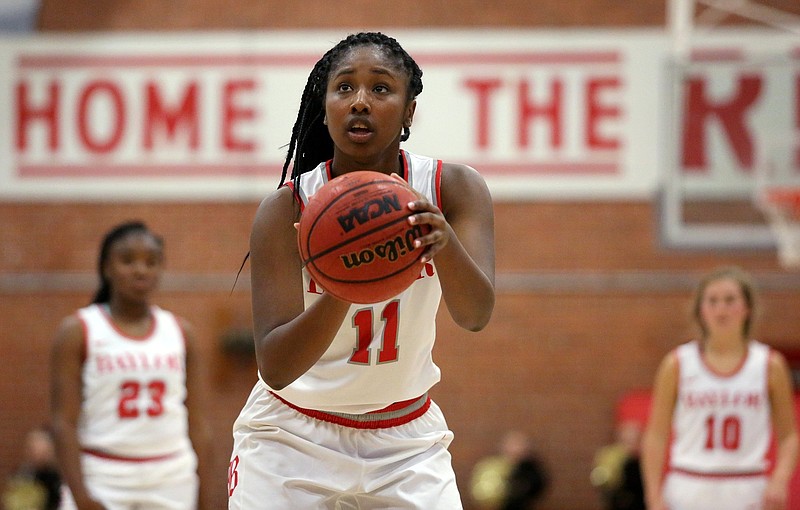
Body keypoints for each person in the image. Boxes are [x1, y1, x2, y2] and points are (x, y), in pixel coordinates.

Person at [227, 31, 496, 509]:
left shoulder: (452, 189)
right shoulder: (286, 209)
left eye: (381, 88)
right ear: (325, 104)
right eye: (345, 88)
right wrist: (348, 282)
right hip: (291, 435)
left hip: (405, 440)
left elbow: (475, 315)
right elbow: (276, 365)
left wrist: (443, 242)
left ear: (409, 111)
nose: (360, 103)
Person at [50, 221, 212, 510]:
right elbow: (63, 422)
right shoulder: (79, 330)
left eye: (151, 262)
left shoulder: (180, 331)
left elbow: (198, 424)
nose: (140, 270)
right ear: (106, 268)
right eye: (127, 260)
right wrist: (81, 496)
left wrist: (205, 496)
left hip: (171, 475)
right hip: (102, 473)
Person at [641, 266, 799, 510]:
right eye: (712, 301)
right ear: (700, 311)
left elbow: (789, 436)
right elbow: (656, 435)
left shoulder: (769, 364)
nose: (720, 309)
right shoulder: (677, 363)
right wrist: (653, 495)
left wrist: (779, 480)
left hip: (748, 486)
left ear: (747, 308)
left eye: (729, 300)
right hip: (688, 485)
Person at [470, 430, 549, 510]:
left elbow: (536, 486)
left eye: (518, 445)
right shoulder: (490, 466)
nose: (515, 449)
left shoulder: (529, 469)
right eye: (513, 445)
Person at [2, 426, 62, 510]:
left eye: (41, 450)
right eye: (32, 449)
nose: (36, 453)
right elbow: (11, 500)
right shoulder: (21, 474)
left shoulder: (57, 478)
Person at [591, 419, 645, 510]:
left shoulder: (642, 460)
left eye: (633, 440)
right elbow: (601, 478)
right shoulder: (611, 456)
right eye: (627, 440)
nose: (629, 445)